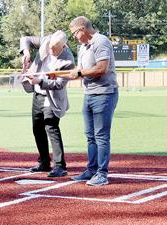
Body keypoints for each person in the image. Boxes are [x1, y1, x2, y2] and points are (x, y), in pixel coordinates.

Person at [49, 16, 118, 186]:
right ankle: (92, 170)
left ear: (82, 29)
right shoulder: (83, 47)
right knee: (90, 136)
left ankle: (102, 174)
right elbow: (79, 71)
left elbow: (101, 69)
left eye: (74, 33)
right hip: (89, 94)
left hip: (104, 94)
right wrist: (58, 74)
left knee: (101, 136)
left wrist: (79, 74)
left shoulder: (101, 42)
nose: (74, 37)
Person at [20, 30, 75, 177]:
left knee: (51, 126)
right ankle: (44, 162)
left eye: (55, 48)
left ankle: (60, 166)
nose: (51, 50)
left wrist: (40, 81)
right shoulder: (46, 41)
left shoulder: (68, 61)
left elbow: (59, 85)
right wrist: (26, 52)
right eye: (50, 46)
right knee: (37, 128)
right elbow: (26, 38)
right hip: (38, 94)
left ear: (64, 46)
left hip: (52, 97)